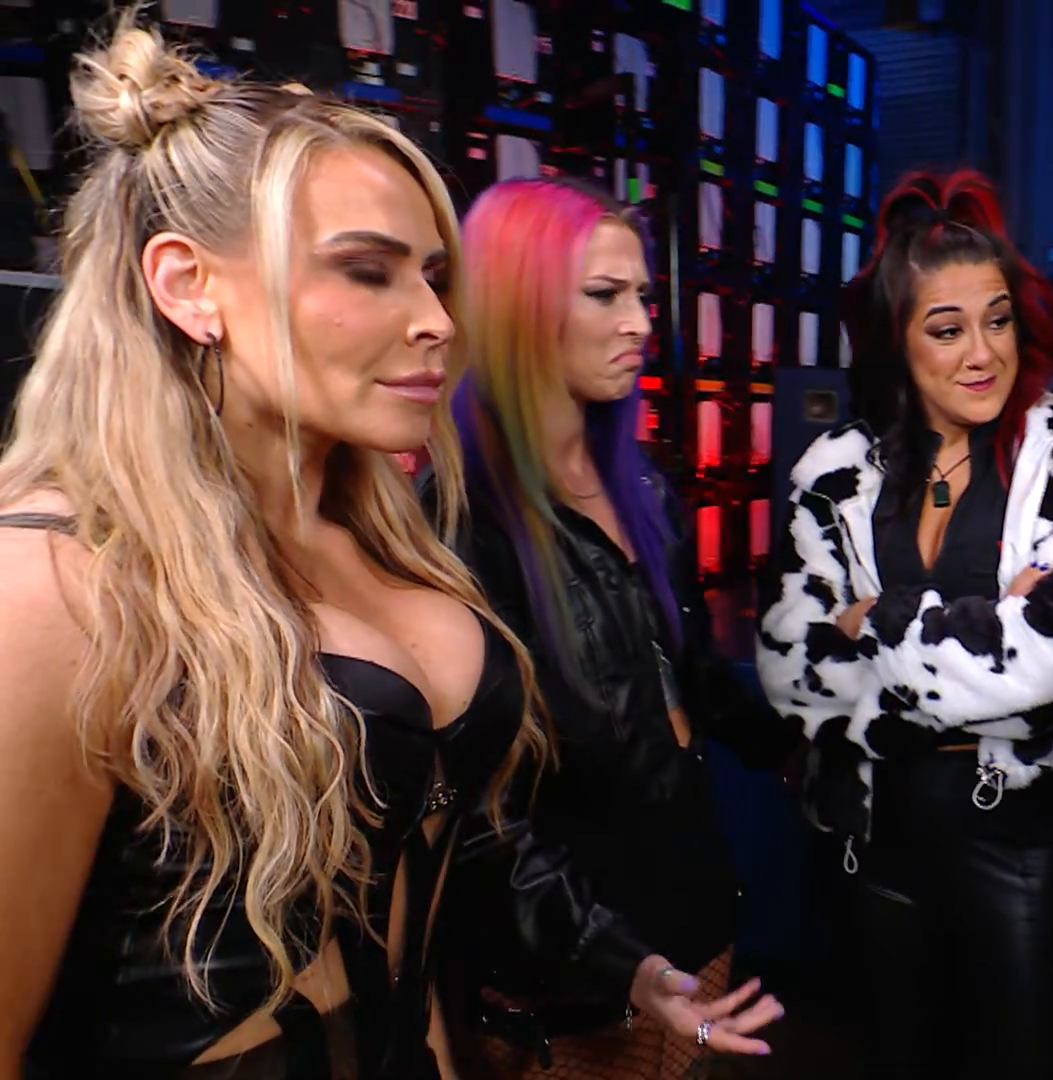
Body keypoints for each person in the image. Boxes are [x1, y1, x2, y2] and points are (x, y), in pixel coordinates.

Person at [0, 19, 774, 1078]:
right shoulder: (52, 581)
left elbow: (461, 837)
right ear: (188, 285)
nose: (438, 321)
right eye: (369, 272)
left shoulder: (387, 537)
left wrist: (623, 966)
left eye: (435, 277)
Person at [756, 169, 1053, 1079]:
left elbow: (1045, 664)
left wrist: (869, 621)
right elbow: (789, 667)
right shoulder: (834, 470)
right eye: (948, 329)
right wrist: (979, 631)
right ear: (898, 340)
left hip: (1023, 840)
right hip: (869, 835)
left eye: (997, 321)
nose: (982, 354)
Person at [428, 177, 798, 1080]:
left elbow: (693, 683)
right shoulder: (462, 522)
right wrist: (621, 964)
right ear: (517, 307)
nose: (638, 323)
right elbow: (480, 817)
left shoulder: (644, 487)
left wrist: (822, 749)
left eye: (642, 296)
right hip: (574, 979)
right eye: (604, 295)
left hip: (690, 924)